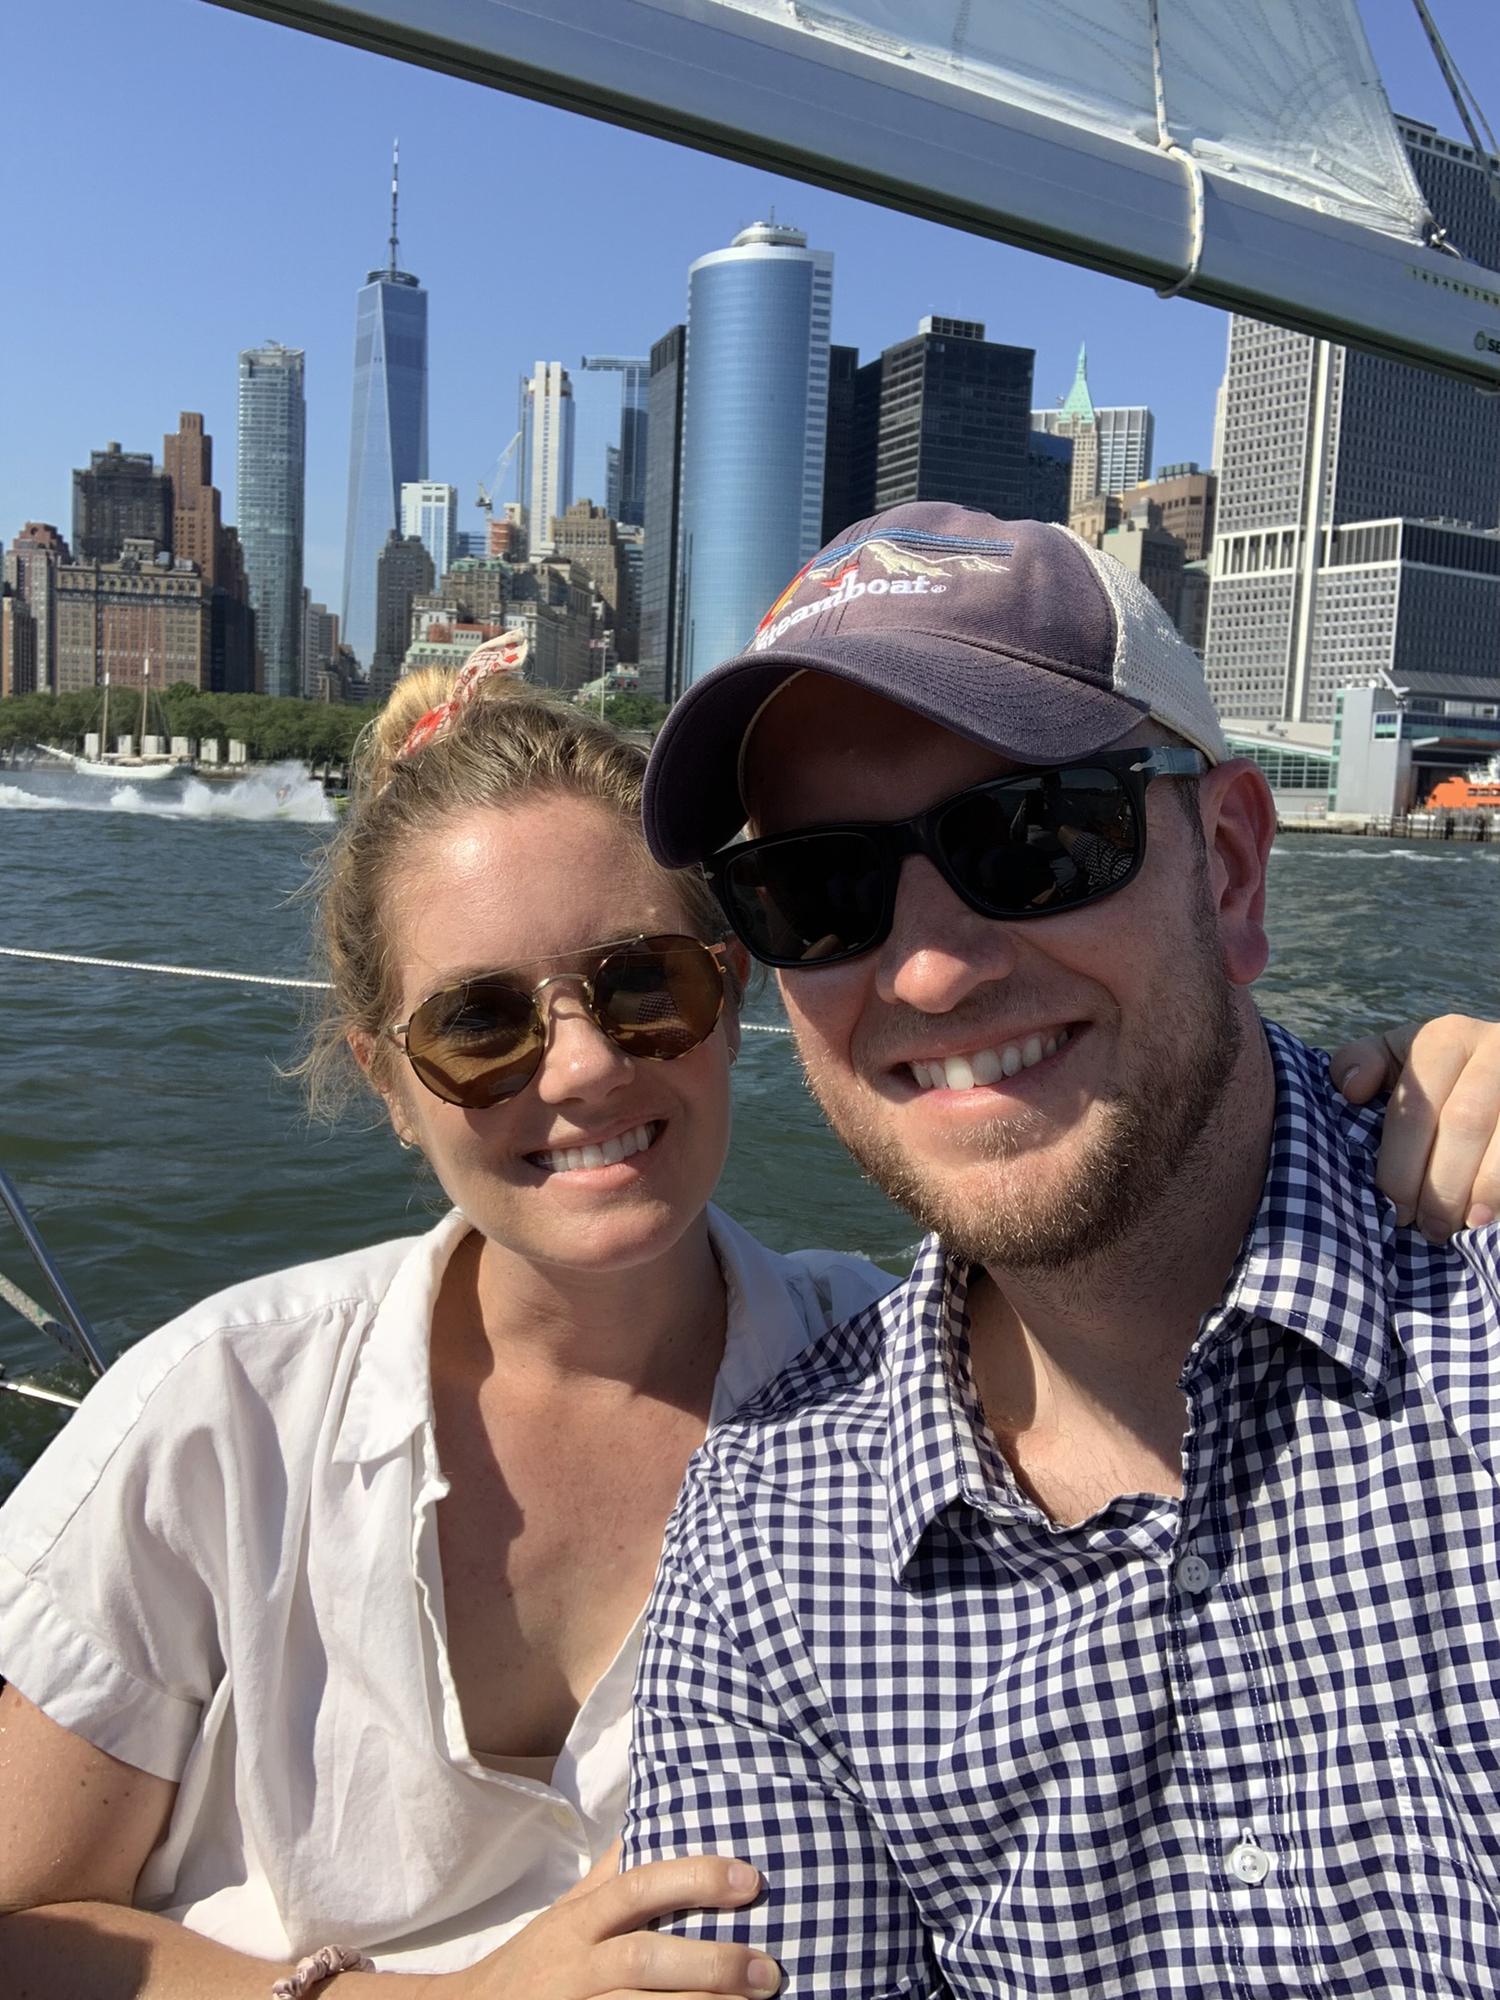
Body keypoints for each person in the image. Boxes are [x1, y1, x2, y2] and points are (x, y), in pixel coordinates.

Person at [0, 627, 1490, 1999]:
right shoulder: (221, 1412)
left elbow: (1127, 1207)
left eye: (641, 983)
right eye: (479, 1021)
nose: (580, 1070)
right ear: (387, 1080)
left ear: (738, 992)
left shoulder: (891, 1405)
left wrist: (1415, 1090)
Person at [623, 502, 1500, 1997]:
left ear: (1227, 865)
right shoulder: (770, 1542)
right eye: (819, 892)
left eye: (1035, 838)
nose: (931, 965)